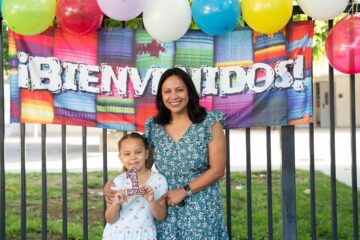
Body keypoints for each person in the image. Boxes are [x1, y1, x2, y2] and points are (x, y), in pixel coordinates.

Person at [144, 67, 228, 239]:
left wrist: (183, 191)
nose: (173, 96)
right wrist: (121, 184)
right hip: (164, 206)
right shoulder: (153, 127)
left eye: (179, 90)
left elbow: (218, 170)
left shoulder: (209, 123)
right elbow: (140, 167)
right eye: (167, 91)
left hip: (201, 206)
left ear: (189, 92)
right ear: (161, 96)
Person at [102, 132, 168, 240]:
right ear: (120, 157)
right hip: (117, 235)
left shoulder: (159, 180)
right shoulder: (118, 182)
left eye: (138, 152)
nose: (133, 157)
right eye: (127, 154)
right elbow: (110, 219)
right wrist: (116, 204)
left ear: (146, 154)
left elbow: (161, 216)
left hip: (144, 235)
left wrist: (152, 201)